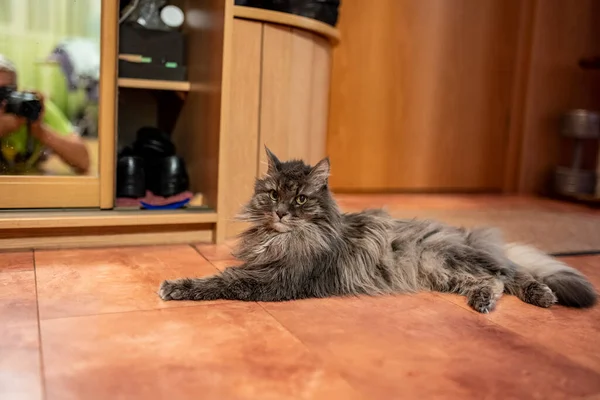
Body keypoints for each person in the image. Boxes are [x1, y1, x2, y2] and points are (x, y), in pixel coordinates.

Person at [0, 54, 90, 174]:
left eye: (6, 91)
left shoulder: (30, 107)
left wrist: (40, 130)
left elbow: (83, 162)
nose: (3, 100)